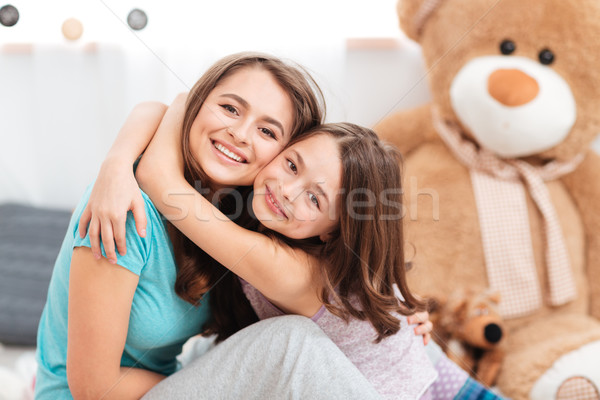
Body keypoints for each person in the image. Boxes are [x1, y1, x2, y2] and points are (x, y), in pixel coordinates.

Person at [34, 52, 331, 399]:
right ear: (198, 103)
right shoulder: (124, 209)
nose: (239, 133)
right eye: (230, 108)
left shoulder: (234, 222)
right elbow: (94, 387)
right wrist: (228, 386)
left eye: (267, 130)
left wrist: (406, 312)